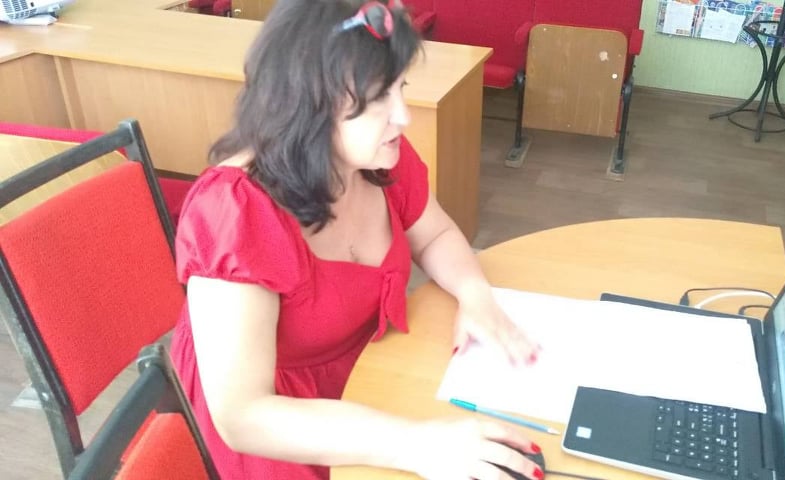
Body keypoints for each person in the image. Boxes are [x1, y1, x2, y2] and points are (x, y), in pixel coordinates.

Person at [168, 0, 544, 478]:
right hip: (281, 423)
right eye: (377, 100)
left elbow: (436, 234)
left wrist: (475, 295)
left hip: (368, 374)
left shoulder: (377, 158)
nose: (403, 116)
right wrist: (413, 444)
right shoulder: (235, 213)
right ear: (308, 105)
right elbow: (244, 416)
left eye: (400, 88)